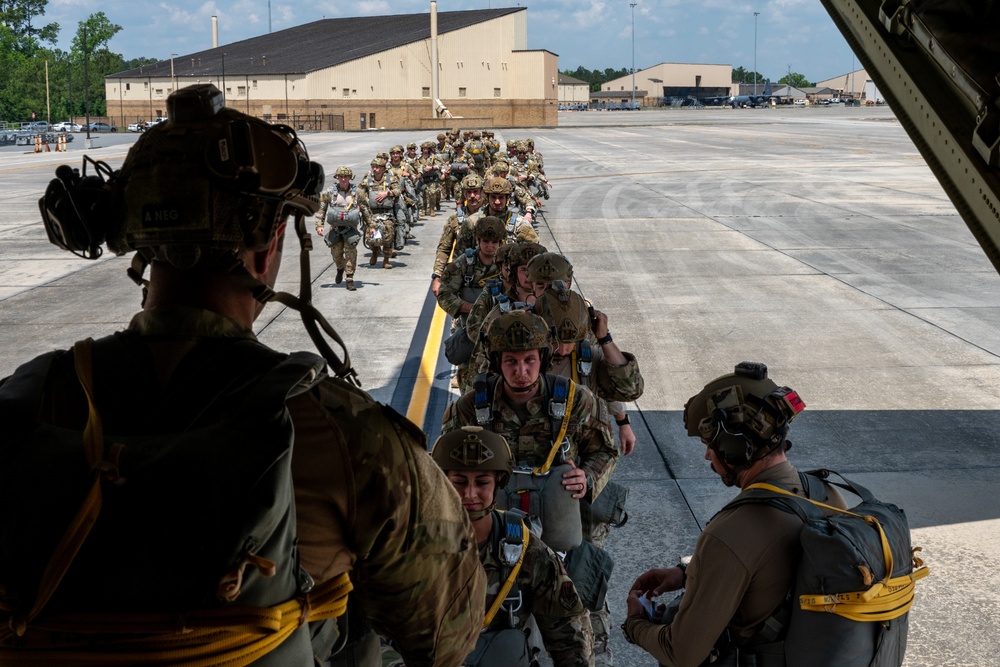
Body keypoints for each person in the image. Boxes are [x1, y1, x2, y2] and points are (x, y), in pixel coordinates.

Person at [6, 84, 485, 665]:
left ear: (136, 242)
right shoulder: (345, 436)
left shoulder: (25, 403)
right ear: (271, 242)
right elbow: (447, 635)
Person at [623, 362, 847, 667]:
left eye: (708, 445)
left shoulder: (729, 533)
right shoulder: (828, 495)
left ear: (734, 446)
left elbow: (682, 653)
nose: (707, 456)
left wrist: (637, 625)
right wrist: (689, 574)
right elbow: (772, 572)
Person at [430, 426, 594, 667]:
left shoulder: (525, 547)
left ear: (498, 483)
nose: (470, 494)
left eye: (482, 482)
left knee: (508, 647)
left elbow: (568, 632)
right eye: (459, 482)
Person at [437, 215, 505, 390]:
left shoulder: (507, 265)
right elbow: (444, 294)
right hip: (471, 335)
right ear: (477, 240)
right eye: (486, 241)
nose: (490, 246)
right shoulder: (462, 265)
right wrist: (473, 309)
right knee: (470, 390)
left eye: (495, 242)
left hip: (502, 336)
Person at [431, 173, 486, 296]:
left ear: (482, 192)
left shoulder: (490, 217)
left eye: (476, 192)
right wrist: (437, 276)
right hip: (461, 276)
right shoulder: (455, 219)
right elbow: (444, 249)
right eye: (468, 192)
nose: (472, 196)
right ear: (464, 194)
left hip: (488, 277)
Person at [315, 165, 362, 291]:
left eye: (346, 176)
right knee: (337, 255)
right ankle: (340, 268)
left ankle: (349, 279)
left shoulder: (357, 192)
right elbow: (322, 208)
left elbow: (366, 209)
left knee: (351, 253)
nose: (343, 179)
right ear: (337, 177)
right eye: (341, 176)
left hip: (350, 228)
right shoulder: (329, 192)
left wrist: (372, 226)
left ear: (350, 177)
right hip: (335, 228)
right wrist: (319, 225)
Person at [357, 157, 403, 269]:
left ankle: (386, 259)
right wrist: (359, 203)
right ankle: (375, 252)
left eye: (377, 167)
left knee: (388, 235)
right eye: (373, 166)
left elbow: (398, 191)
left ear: (383, 168)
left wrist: (387, 193)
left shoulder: (390, 178)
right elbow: (359, 191)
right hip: (372, 213)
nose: (375, 169)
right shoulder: (367, 179)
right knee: (371, 235)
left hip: (386, 213)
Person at [481, 176, 537, 242]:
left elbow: (534, 248)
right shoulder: (475, 221)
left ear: (508, 198)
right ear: (487, 197)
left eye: (501, 197)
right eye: (493, 197)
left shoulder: (520, 223)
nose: (497, 202)